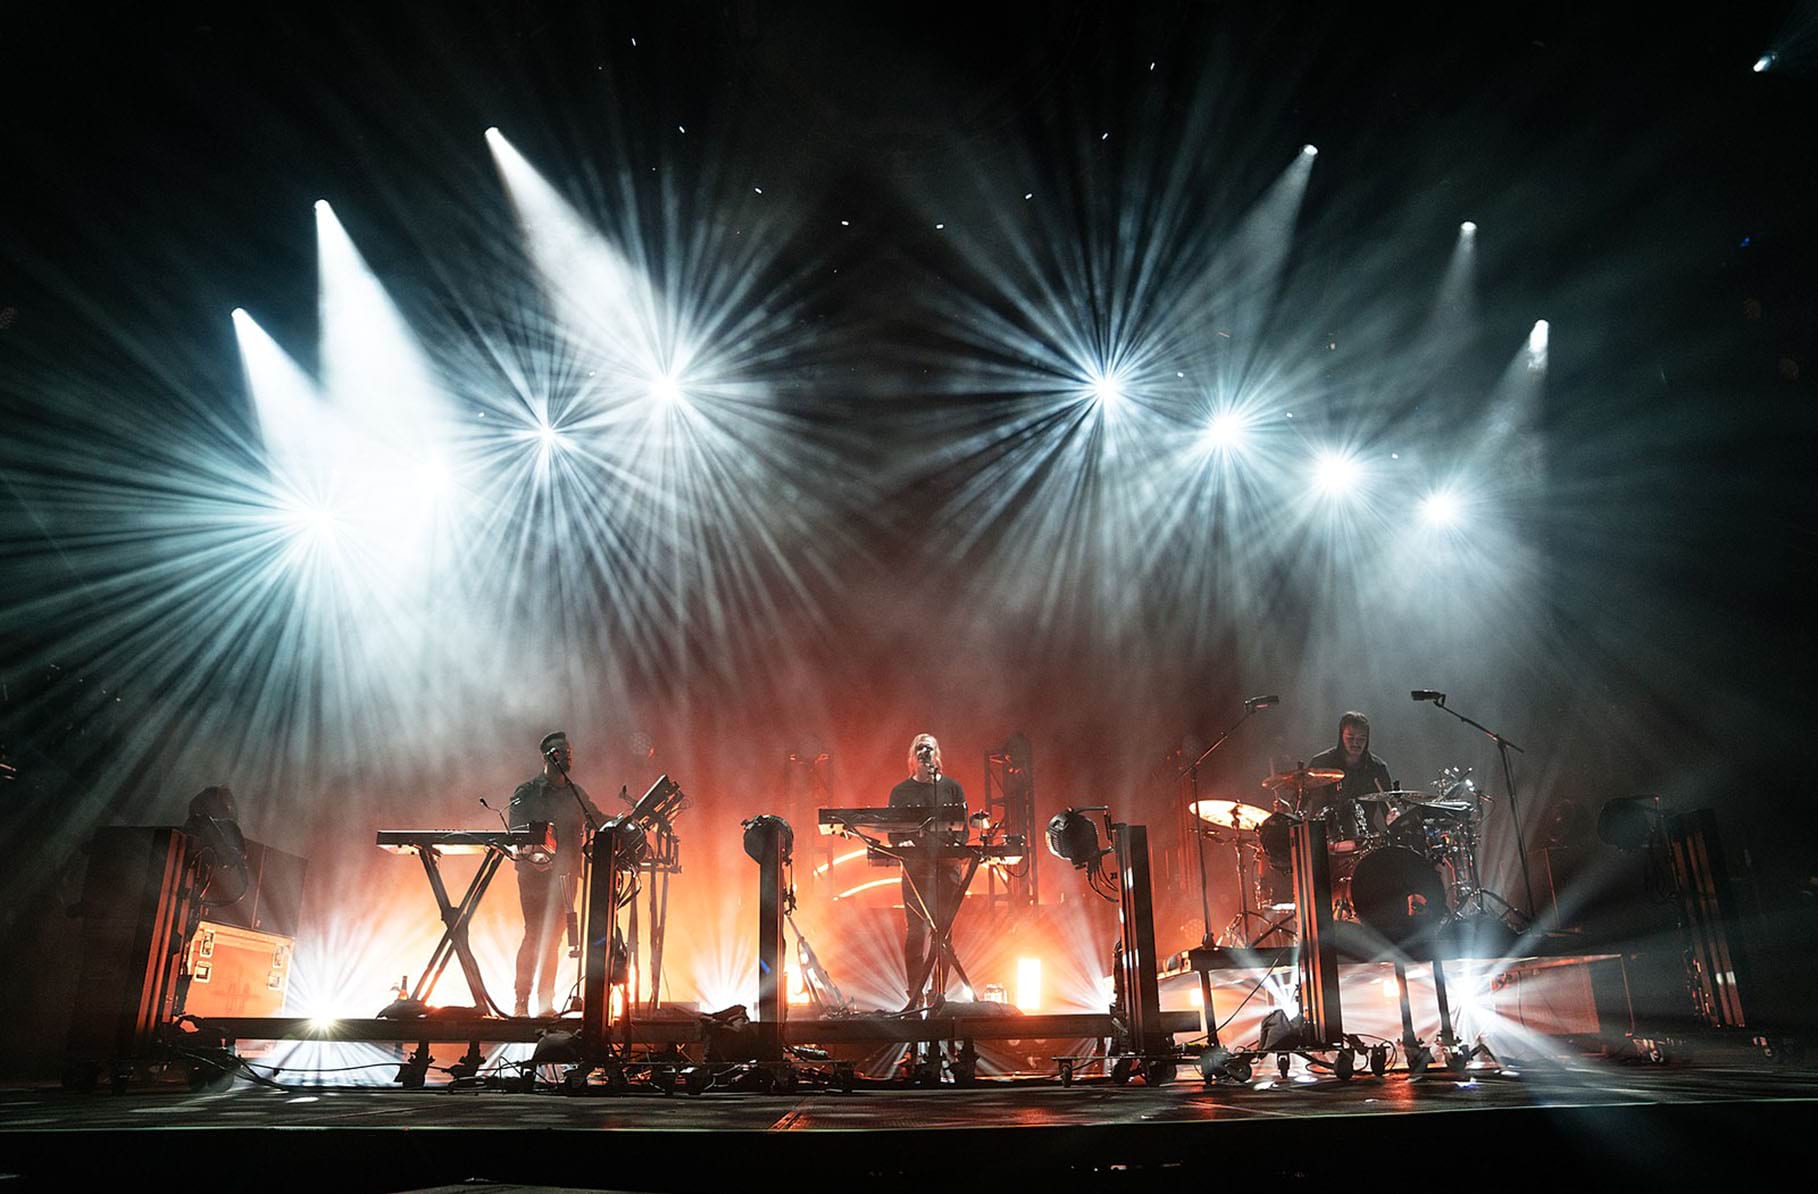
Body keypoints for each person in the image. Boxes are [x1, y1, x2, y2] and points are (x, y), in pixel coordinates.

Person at [507, 730, 604, 1018]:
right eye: (562, 750)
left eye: (570, 751)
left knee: (554, 939)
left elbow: (596, 818)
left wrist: (626, 820)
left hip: (566, 878)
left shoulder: (576, 793)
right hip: (535, 876)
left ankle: (545, 1002)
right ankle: (521, 1001)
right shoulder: (527, 792)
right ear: (548, 755)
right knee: (534, 935)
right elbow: (516, 831)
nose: (568, 755)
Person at [886, 733, 969, 1007]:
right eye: (919, 748)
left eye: (929, 748)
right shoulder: (900, 792)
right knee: (916, 931)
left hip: (947, 869)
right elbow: (893, 833)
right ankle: (915, 993)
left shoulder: (952, 788)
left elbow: (963, 830)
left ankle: (939, 993)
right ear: (913, 756)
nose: (925, 752)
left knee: (943, 931)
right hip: (915, 869)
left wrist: (954, 848)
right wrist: (904, 842)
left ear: (937, 754)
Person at [1305, 712, 1395, 844]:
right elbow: (1300, 796)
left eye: (1361, 739)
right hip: (1322, 836)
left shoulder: (1377, 768)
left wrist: (1392, 819)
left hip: (1364, 838)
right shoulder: (1321, 763)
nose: (1356, 743)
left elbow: (1388, 807)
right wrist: (1288, 808)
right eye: (1350, 738)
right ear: (1341, 737)